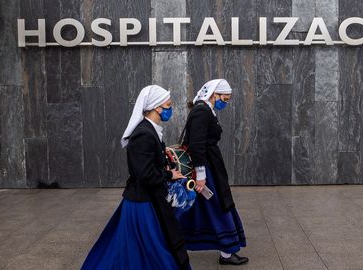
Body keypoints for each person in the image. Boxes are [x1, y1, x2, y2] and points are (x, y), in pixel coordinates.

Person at [81, 85, 191, 270]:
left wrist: (167, 168)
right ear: (157, 107)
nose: (170, 109)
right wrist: (169, 174)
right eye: (168, 105)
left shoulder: (150, 130)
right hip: (142, 203)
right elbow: (145, 174)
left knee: (141, 248)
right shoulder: (143, 134)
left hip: (145, 199)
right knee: (152, 248)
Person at [177, 79, 248, 265]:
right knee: (217, 206)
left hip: (208, 166)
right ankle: (226, 251)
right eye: (224, 98)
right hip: (206, 168)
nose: (225, 102)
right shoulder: (202, 111)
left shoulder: (205, 109)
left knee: (195, 208)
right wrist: (201, 176)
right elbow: (196, 144)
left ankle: (178, 246)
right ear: (214, 95)